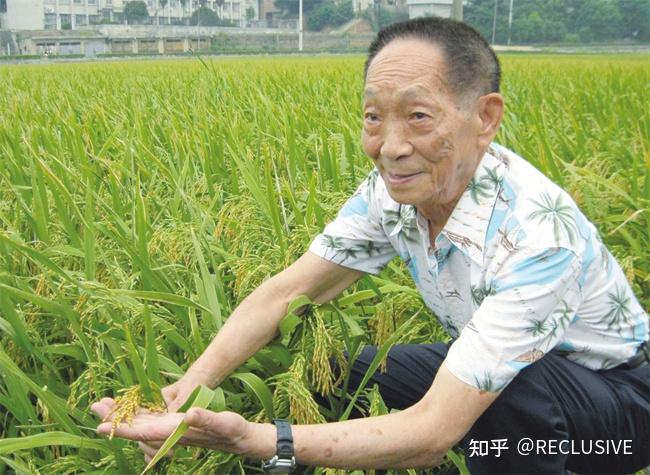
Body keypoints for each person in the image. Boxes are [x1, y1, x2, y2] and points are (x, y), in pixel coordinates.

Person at [92, 17, 649, 474]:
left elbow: (433, 433)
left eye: (418, 116)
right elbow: (287, 292)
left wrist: (257, 440)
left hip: (620, 415)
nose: (392, 146)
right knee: (339, 369)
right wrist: (187, 389)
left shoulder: (540, 238)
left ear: (485, 117)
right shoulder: (394, 193)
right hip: (521, 372)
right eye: (373, 117)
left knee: (498, 400)